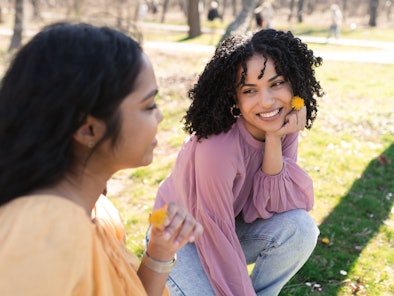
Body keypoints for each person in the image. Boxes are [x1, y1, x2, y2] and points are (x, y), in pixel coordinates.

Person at [0, 22, 203, 296]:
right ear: (88, 129)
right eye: (149, 105)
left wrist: (160, 251)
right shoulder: (44, 231)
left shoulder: (99, 210)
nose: (160, 117)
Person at [151, 29, 324, 295]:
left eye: (276, 83)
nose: (266, 101)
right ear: (235, 97)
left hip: (230, 226)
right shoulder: (216, 147)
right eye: (250, 90)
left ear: (294, 83)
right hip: (179, 238)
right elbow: (214, 232)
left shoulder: (281, 124)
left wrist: (275, 139)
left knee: (300, 229)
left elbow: (274, 206)